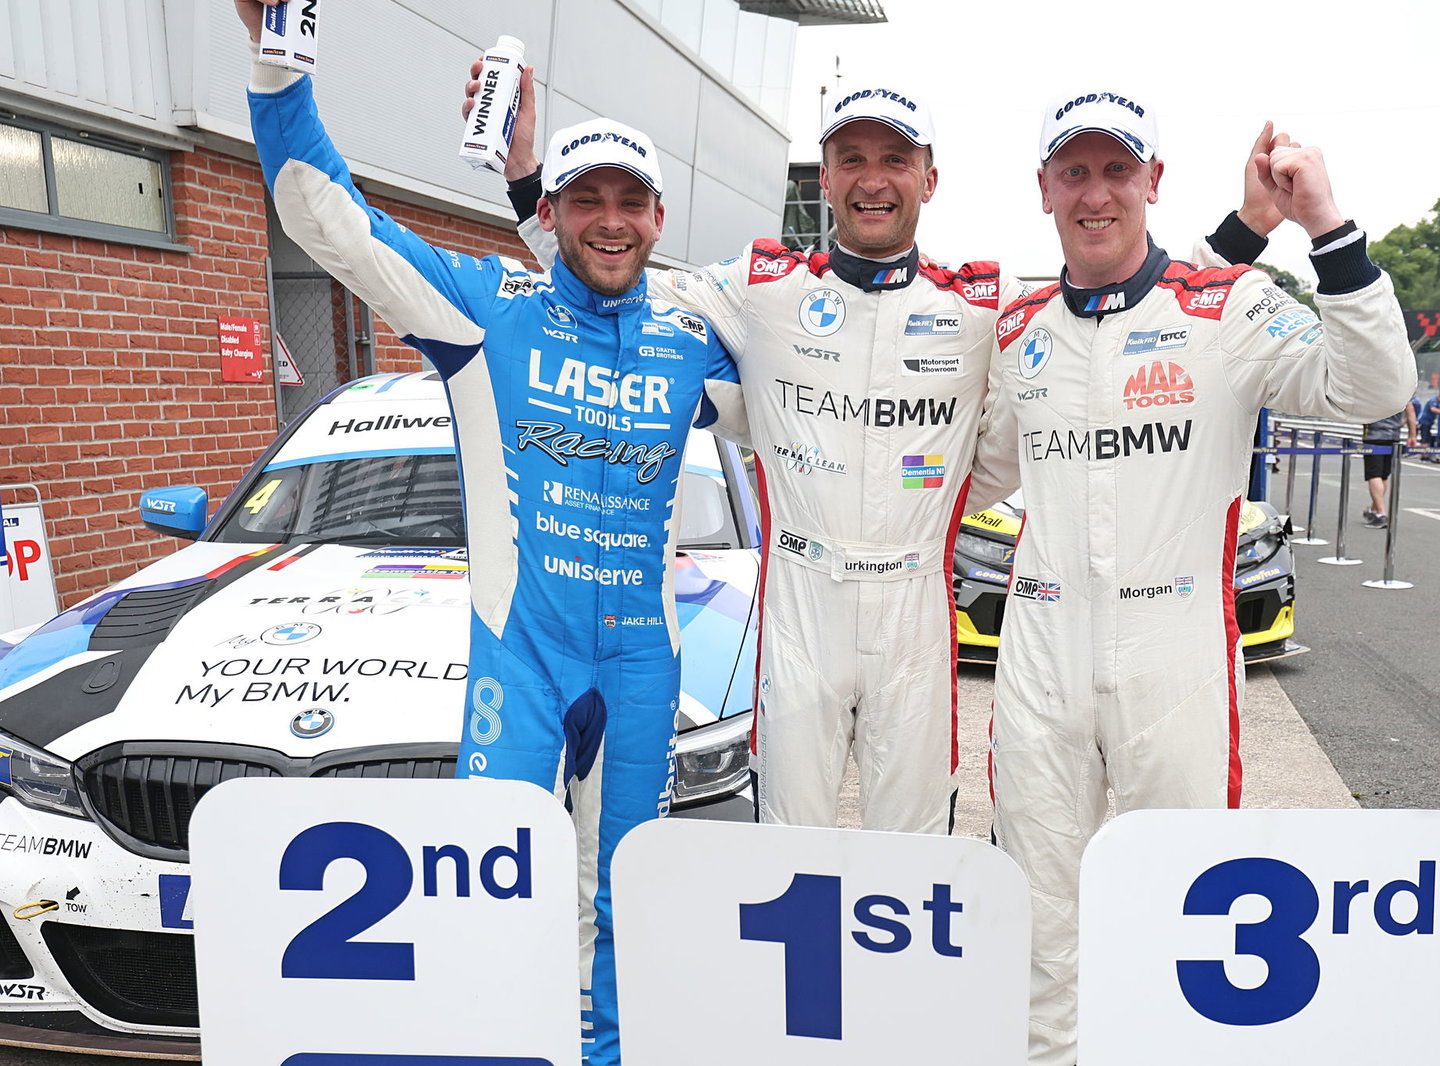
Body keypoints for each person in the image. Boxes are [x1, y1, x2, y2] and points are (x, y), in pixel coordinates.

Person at [474, 70, 1282, 834]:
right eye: (850, 158)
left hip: (915, 607)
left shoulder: (979, 301)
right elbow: (609, 281)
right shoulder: (761, 285)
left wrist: (1241, 234)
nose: (872, 178)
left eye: (894, 158)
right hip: (800, 601)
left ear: (928, 178)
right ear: (823, 177)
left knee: (917, 853)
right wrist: (525, 188)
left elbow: (1126, 292)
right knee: (790, 843)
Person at [234, 5, 743, 1064]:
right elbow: (325, 216)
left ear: (659, 217)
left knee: (623, 903)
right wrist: (276, 58)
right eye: (586, 199)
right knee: (493, 889)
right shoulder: (485, 308)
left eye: (631, 202)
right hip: (524, 654)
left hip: (645, 665)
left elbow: (813, 394)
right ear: (549, 212)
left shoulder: (695, 336)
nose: (611, 220)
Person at [969, 90, 1416, 1063]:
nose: (1096, 193)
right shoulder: (1015, 329)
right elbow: (981, 468)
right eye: (1075, 171)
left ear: (1153, 181)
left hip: (1174, 650)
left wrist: (1323, 227)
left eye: (1116, 169)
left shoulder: (1233, 306)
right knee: (1039, 918)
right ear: (1043, 186)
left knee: (1179, 908)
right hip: (1040, 645)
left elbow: (1376, 393)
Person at [1364, 402, 1419, 526]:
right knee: (1383, 475)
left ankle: (1381, 513)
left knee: (1374, 475)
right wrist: (1412, 435)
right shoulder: (1400, 389)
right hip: (1393, 436)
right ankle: (1374, 509)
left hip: (1373, 436)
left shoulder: (1372, 390)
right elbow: (1410, 411)